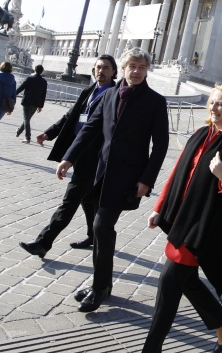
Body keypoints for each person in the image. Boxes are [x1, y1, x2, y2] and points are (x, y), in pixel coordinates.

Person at [142, 83, 222, 353]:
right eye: (212, 102)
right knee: (186, 280)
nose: (213, 108)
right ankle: (221, 321)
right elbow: (177, 173)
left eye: (220, 104)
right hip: (182, 217)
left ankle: (151, 348)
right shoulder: (200, 133)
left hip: (204, 225)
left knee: (170, 280)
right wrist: (159, 207)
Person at [57, 47, 168, 313]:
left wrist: (147, 180)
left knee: (101, 226)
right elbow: (90, 130)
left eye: (142, 67)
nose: (137, 72)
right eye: (132, 66)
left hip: (128, 177)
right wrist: (68, 158)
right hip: (101, 172)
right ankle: (103, 285)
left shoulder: (155, 101)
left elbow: (161, 145)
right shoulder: (108, 95)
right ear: (124, 67)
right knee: (99, 228)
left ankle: (99, 288)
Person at [19, 56, 117, 259]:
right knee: (87, 198)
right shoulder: (88, 92)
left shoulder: (116, 95)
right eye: (98, 67)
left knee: (70, 200)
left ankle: (44, 242)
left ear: (114, 72)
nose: (101, 71)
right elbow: (69, 116)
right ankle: (93, 235)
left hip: (96, 156)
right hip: (79, 152)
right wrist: (48, 133)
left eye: (106, 68)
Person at [15, 65, 48, 144]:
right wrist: (40, 106)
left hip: (27, 102)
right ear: (41, 71)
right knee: (27, 118)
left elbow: (21, 88)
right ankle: (19, 131)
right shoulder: (44, 82)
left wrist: (13, 95)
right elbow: (43, 95)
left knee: (26, 119)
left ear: (35, 70)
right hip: (36, 103)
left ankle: (27, 138)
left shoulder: (30, 78)